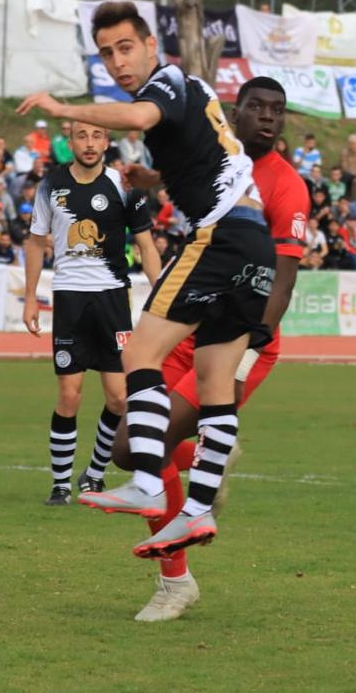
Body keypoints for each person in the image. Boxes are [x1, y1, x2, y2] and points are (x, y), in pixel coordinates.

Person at [17, 0, 273, 557]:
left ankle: (149, 482)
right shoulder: (192, 89)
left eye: (126, 47)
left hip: (220, 235)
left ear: (152, 46)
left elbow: (138, 119)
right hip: (255, 241)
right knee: (214, 385)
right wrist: (152, 179)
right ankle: (197, 513)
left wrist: (63, 107)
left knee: (138, 355)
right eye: (106, 53)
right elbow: (206, 155)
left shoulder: (166, 83)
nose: (117, 62)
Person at [117, 76, 309, 621]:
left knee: (148, 447)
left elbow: (282, 282)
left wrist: (247, 357)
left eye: (277, 110)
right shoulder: (218, 154)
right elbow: (196, 179)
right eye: (257, 107)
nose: (267, 117)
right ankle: (211, 460)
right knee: (127, 450)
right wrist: (153, 180)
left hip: (240, 338)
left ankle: (174, 583)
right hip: (190, 322)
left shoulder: (287, 187)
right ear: (234, 112)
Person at [21, 119, 160, 506]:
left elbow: (147, 247)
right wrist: (30, 296)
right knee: (70, 395)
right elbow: (35, 242)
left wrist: (162, 295)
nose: (89, 142)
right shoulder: (51, 185)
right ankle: (60, 485)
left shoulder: (123, 186)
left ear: (106, 141)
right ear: (70, 141)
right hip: (70, 298)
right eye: (81, 135)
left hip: (113, 299)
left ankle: (94, 473)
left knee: (119, 399)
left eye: (97, 135)